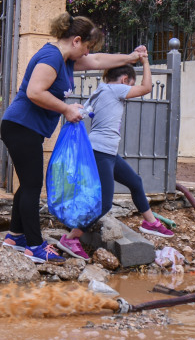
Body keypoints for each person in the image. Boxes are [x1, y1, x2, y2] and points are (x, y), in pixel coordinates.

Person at [0, 14, 145, 263]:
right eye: (86, 47)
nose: (87, 53)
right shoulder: (52, 57)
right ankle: (35, 246)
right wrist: (66, 109)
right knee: (33, 187)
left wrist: (131, 58)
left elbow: (98, 60)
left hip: (26, 128)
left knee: (27, 184)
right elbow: (35, 92)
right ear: (77, 41)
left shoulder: (65, 60)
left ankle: (15, 236)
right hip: (21, 126)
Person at [54, 52, 173, 261]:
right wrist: (145, 61)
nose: (130, 90)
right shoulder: (116, 89)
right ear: (125, 80)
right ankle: (72, 238)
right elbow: (146, 88)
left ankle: (150, 222)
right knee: (104, 203)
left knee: (135, 182)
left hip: (105, 151)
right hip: (101, 152)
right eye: (130, 85)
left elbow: (85, 112)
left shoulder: (99, 91)